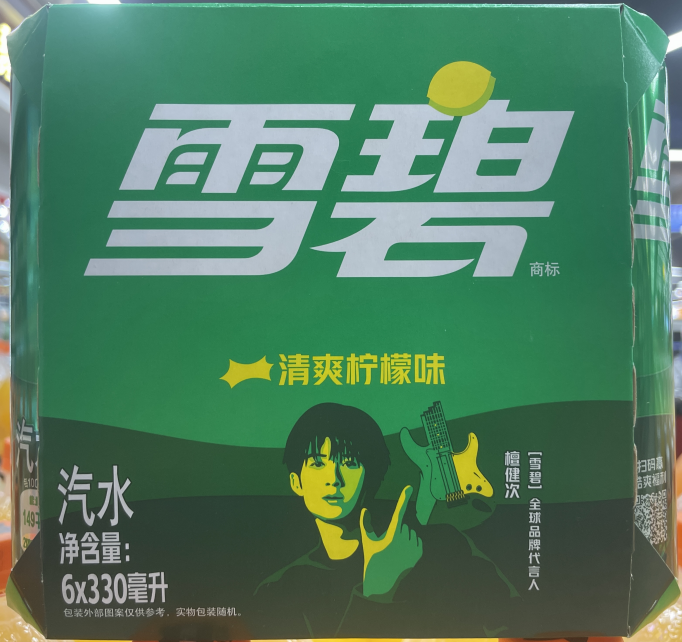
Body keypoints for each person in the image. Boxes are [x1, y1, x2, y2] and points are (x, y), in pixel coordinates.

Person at [253, 402, 517, 638]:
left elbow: (518, 621)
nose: (334, 479)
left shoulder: (442, 544)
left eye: (350, 462)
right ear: (296, 481)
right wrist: (378, 593)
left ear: (370, 477)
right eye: (318, 463)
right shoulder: (277, 590)